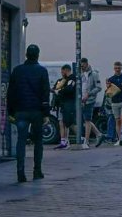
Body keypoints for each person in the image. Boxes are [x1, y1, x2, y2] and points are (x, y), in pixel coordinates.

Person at [7, 44, 51, 182]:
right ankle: (37, 170)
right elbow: (45, 94)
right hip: (37, 111)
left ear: (26, 55)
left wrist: (11, 112)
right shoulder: (42, 71)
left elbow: (11, 93)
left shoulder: (17, 70)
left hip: (21, 111)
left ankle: (20, 171)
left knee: (21, 140)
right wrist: (46, 114)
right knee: (38, 141)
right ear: (37, 55)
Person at [105, 61, 122, 145]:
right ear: (114, 68)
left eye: (119, 68)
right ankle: (119, 139)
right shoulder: (111, 79)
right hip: (115, 102)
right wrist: (108, 87)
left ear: (121, 68)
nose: (117, 69)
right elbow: (108, 93)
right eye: (116, 68)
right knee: (117, 121)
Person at [78, 58, 104, 147]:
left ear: (87, 64)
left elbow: (99, 87)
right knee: (85, 119)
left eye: (83, 65)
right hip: (81, 100)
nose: (82, 67)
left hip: (89, 100)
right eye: (80, 66)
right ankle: (99, 134)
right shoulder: (80, 74)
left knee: (87, 120)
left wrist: (88, 94)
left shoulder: (93, 74)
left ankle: (86, 141)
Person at [53, 64, 78, 149]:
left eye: (62, 71)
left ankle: (81, 138)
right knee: (63, 122)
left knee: (69, 123)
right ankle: (64, 141)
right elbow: (54, 88)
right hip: (62, 104)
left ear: (65, 70)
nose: (61, 73)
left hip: (68, 104)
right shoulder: (61, 80)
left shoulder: (71, 78)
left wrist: (59, 91)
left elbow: (69, 89)